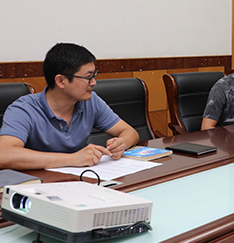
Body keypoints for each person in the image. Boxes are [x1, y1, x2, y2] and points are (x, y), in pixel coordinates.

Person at [0, 43, 139, 170]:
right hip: (39, 184)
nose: (94, 83)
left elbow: (130, 132)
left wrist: (122, 143)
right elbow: (4, 155)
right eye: (88, 77)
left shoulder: (91, 101)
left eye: (94, 75)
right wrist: (72, 159)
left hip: (81, 180)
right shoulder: (24, 109)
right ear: (61, 81)